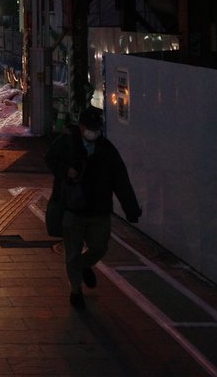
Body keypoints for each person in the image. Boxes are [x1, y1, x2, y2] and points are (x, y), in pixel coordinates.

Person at [44, 106, 141, 310]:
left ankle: (84, 265)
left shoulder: (107, 150)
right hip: (72, 208)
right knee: (72, 252)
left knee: (100, 247)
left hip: (99, 209)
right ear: (81, 126)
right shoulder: (67, 142)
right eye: (90, 127)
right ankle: (76, 291)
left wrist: (131, 209)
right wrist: (66, 171)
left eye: (96, 128)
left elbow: (121, 180)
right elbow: (50, 159)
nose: (93, 132)